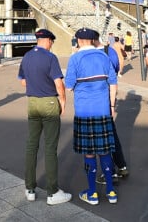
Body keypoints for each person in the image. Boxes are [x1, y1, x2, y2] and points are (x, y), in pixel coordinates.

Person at [18, 28, 71, 206]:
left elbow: (23, 81)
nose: (52, 45)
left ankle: (30, 188)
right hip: (48, 102)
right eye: (52, 41)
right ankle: (52, 191)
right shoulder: (50, 57)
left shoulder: (26, 56)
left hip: (32, 102)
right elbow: (59, 83)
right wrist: (62, 102)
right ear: (48, 40)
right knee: (50, 147)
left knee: (31, 145)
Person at [64, 28, 118, 206]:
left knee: (89, 153)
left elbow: (69, 85)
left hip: (84, 112)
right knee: (105, 150)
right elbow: (113, 83)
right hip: (103, 110)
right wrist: (111, 105)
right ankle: (111, 191)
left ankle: (92, 193)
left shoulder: (75, 58)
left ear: (78, 40)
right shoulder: (104, 56)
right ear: (94, 40)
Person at [93, 37, 129, 184]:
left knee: (102, 137)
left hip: (97, 99)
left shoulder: (89, 55)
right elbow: (115, 69)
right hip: (109, 94)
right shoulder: (110, 51)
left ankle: (110, 172)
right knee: (111, 133)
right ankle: (121, 165)